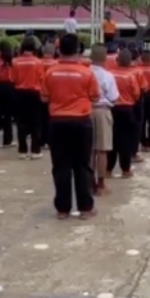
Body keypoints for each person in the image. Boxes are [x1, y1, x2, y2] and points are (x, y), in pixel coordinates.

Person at [43, 33, 100, 218]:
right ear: (78, 50)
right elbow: (95, 96)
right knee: (83, 165)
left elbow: (44, 97)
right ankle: (85, 208)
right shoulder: (86, 72)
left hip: (57, 122)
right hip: (81, 122)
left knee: (61, 166)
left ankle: (62, 209)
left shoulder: (50, 72)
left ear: (59, 50)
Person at [88, 43, 119, 195]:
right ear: (105, 58)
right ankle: (101, 185)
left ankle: (89, 183)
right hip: (102, 111)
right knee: (102, 150)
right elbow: (113, 98)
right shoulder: (108, 76)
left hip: (85, 111)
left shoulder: (84, 73)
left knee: (88, 150)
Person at [108, 50, 143, 178]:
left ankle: (108, 170)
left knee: (111, 139)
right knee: (126, 141)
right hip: (127, 109)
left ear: (117, 60)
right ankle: (125, 170)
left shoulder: (109, 74)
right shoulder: (131, 76)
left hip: (112, 108)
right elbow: (137, 94)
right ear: (129, 62)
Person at [11, 37, 45, 159]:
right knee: (36, 122)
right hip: (35, 94)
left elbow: (12, 79)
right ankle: (35, 150)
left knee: (21, 123)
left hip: (20, 93)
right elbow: (42, 79)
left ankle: (22, 150)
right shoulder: (38, 62)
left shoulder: (15, 62)